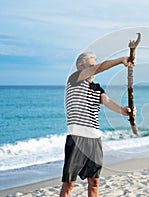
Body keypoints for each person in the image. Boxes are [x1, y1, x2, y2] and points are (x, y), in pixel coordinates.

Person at [60, 52, 135, 197]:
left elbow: (107, 101)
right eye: (91, 66)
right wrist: (120, 60)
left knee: (94, 183)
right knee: (69, 183)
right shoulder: (74, 79)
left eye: (94, 66)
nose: (94, 69)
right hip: (77, 139)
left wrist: (124, 111)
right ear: (80, 67)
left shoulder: (97, 88)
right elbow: (99, 68)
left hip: (94, 140)